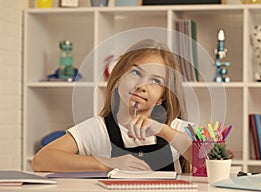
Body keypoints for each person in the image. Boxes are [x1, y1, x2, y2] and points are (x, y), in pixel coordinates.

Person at [32, 39, 194, 173]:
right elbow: (41, 161)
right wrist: (106, 163)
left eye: (155, 81)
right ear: (118, 79)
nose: (142, 86)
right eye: (136, 73)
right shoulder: (97, 128)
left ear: (162, 96)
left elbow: (210, 161)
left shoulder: (177, 128)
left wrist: (163, 130)